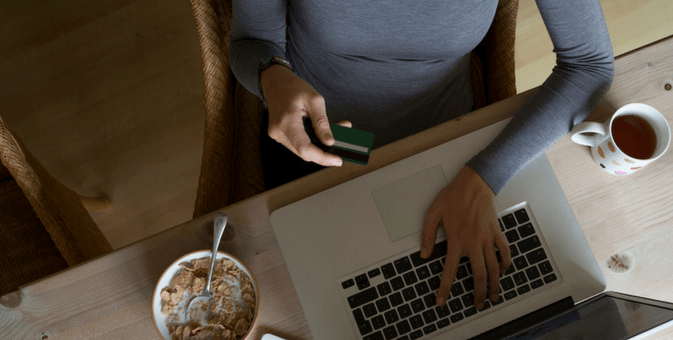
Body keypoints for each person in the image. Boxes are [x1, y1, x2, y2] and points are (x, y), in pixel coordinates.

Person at [230, 0, 614, 311]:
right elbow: (250, 43)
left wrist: (485, 175)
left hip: (451, 159)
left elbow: (589, 65)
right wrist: (271, 73)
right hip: (318, 148)